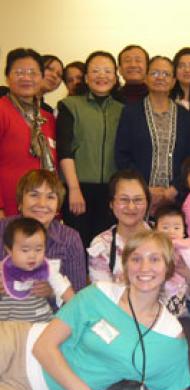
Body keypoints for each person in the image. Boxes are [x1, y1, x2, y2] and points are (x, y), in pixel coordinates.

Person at [0, 230, 190, 390]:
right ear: (125, 265)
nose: (144, 267)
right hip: (17, 343)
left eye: (154, 259)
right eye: (136, 259)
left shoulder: (169, 335)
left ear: (168, 267)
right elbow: (43, 347)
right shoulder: (99, 294)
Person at [115, 56, 190, 215]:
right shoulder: (130, 113)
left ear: (174, 81)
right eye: (154, 73)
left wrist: (174, 189)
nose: (160, 77)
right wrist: (144, 188)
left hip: (176, 198)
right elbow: (122, 155)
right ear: (146, 78)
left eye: (166, 74)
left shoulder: (185, 116)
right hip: (138, 197)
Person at [57, 50, 123, 248]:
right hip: (79, 188)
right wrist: (74, 189)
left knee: (105, 247)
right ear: (86, 77)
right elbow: (65, 149)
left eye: (107, 71)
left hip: (111, 191)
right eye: (95, 71)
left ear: (115, 76)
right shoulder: (70, 105)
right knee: (78, 245)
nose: (101, 76)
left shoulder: (123, 109)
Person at [0, 170, 86, 292]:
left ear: (57, 207)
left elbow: (78, 294)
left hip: (53, 311)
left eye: (50, 197)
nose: (42, 204)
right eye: (34, 195)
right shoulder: (2, 229)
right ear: (20, 201)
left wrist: (53, 292)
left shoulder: (70, 238)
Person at [0, 48, 56, 216]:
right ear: (7, 77)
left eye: (33, 73)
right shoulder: (2, 110)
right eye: (19, 72)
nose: (26, 78)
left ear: (41, 77)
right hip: (9, 209)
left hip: (42, 210)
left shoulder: (47, 118)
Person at [0, 217, 74, 322]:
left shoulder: (47, 269)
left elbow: (64, 290)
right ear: (9, 250)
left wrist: (80, 309)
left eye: (38, 249)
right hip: (8, 328)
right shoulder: (2, 270)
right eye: (25, 250)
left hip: (40, 323)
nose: (32, 255)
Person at [88, 169, 151, 284]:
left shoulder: (165, 237)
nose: (131, 207)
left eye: (138, 200)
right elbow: (103, 295)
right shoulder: (101, 245)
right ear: (111, 203)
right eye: (124, 200)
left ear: (147, 203)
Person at [155, 204, 190, 316]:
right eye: (165, 227)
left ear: (183, 232)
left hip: (178, 291)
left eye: (176, 228)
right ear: (156, 230)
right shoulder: (151, 247)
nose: (171, 231)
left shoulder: (183, 246)